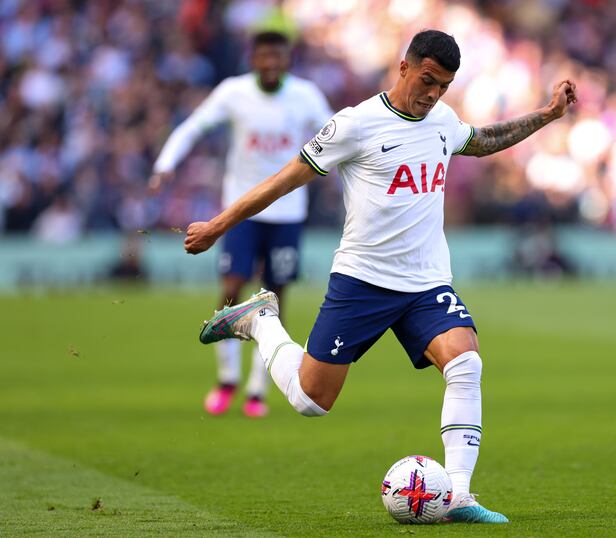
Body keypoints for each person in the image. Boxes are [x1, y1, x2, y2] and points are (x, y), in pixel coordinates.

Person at [184, 30, 576, 522]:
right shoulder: (356, 124)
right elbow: (285, 179)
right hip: (362, 281)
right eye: (427, 80)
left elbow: (482, 140)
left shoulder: (442, 121)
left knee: (466, 364)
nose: (432, 94)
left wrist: (546, 114)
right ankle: (261, 319)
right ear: (404, 67)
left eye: (444, 86)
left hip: (426, 282)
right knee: (310, 401)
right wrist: (219, 225)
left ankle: (458, 495)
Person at [150, 31, 333, 418]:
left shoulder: (306, 96)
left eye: (278, 56)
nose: (271, 63)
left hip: (288, 213)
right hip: (242, 211)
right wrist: (166, 163)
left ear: (287, 59)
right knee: (232, 288)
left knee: (276, 296)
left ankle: (257, 389)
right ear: (253, 58)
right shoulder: (233, 92)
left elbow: (339, 139)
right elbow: (194, 126)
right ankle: (226, 379)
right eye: (264, 56)